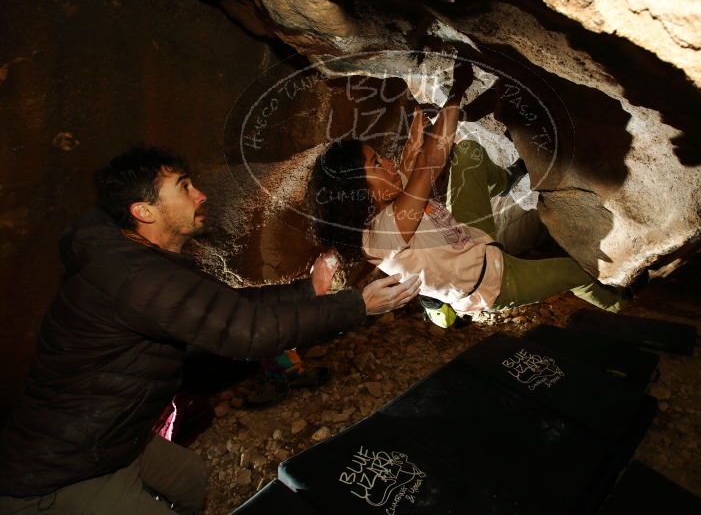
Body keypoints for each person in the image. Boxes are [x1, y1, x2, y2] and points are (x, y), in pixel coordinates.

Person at [0, 147, 420, 514]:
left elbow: (227, 309)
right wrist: (356, 305)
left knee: (191, 480)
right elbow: (246, 332)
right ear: (143, 212)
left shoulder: (135, 257)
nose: (200, 193)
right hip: (60, 472)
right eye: (183, 187)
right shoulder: (135, 278)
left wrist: (307, 290)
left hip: (116, 441)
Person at [308, 59, 625, 320]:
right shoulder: (385, 233)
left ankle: (505, 181)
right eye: (376, 164)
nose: (387, 164)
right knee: (577, 271)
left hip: (472, 234)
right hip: (492, 282)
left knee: (469, 154)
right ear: (360, 190)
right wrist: (457, 92)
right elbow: (431, 160)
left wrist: (419, 118)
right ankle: (620, 301)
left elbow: (411, 157)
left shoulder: (386, 196)